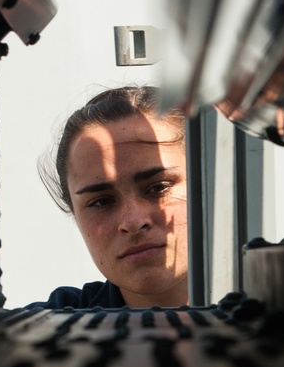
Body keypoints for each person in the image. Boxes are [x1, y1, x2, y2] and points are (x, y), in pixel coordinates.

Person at [30, 86, 189, 309]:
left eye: (158, 188)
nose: (133, 222)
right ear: (74, 213)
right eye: (101, 202)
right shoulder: (47, 329)